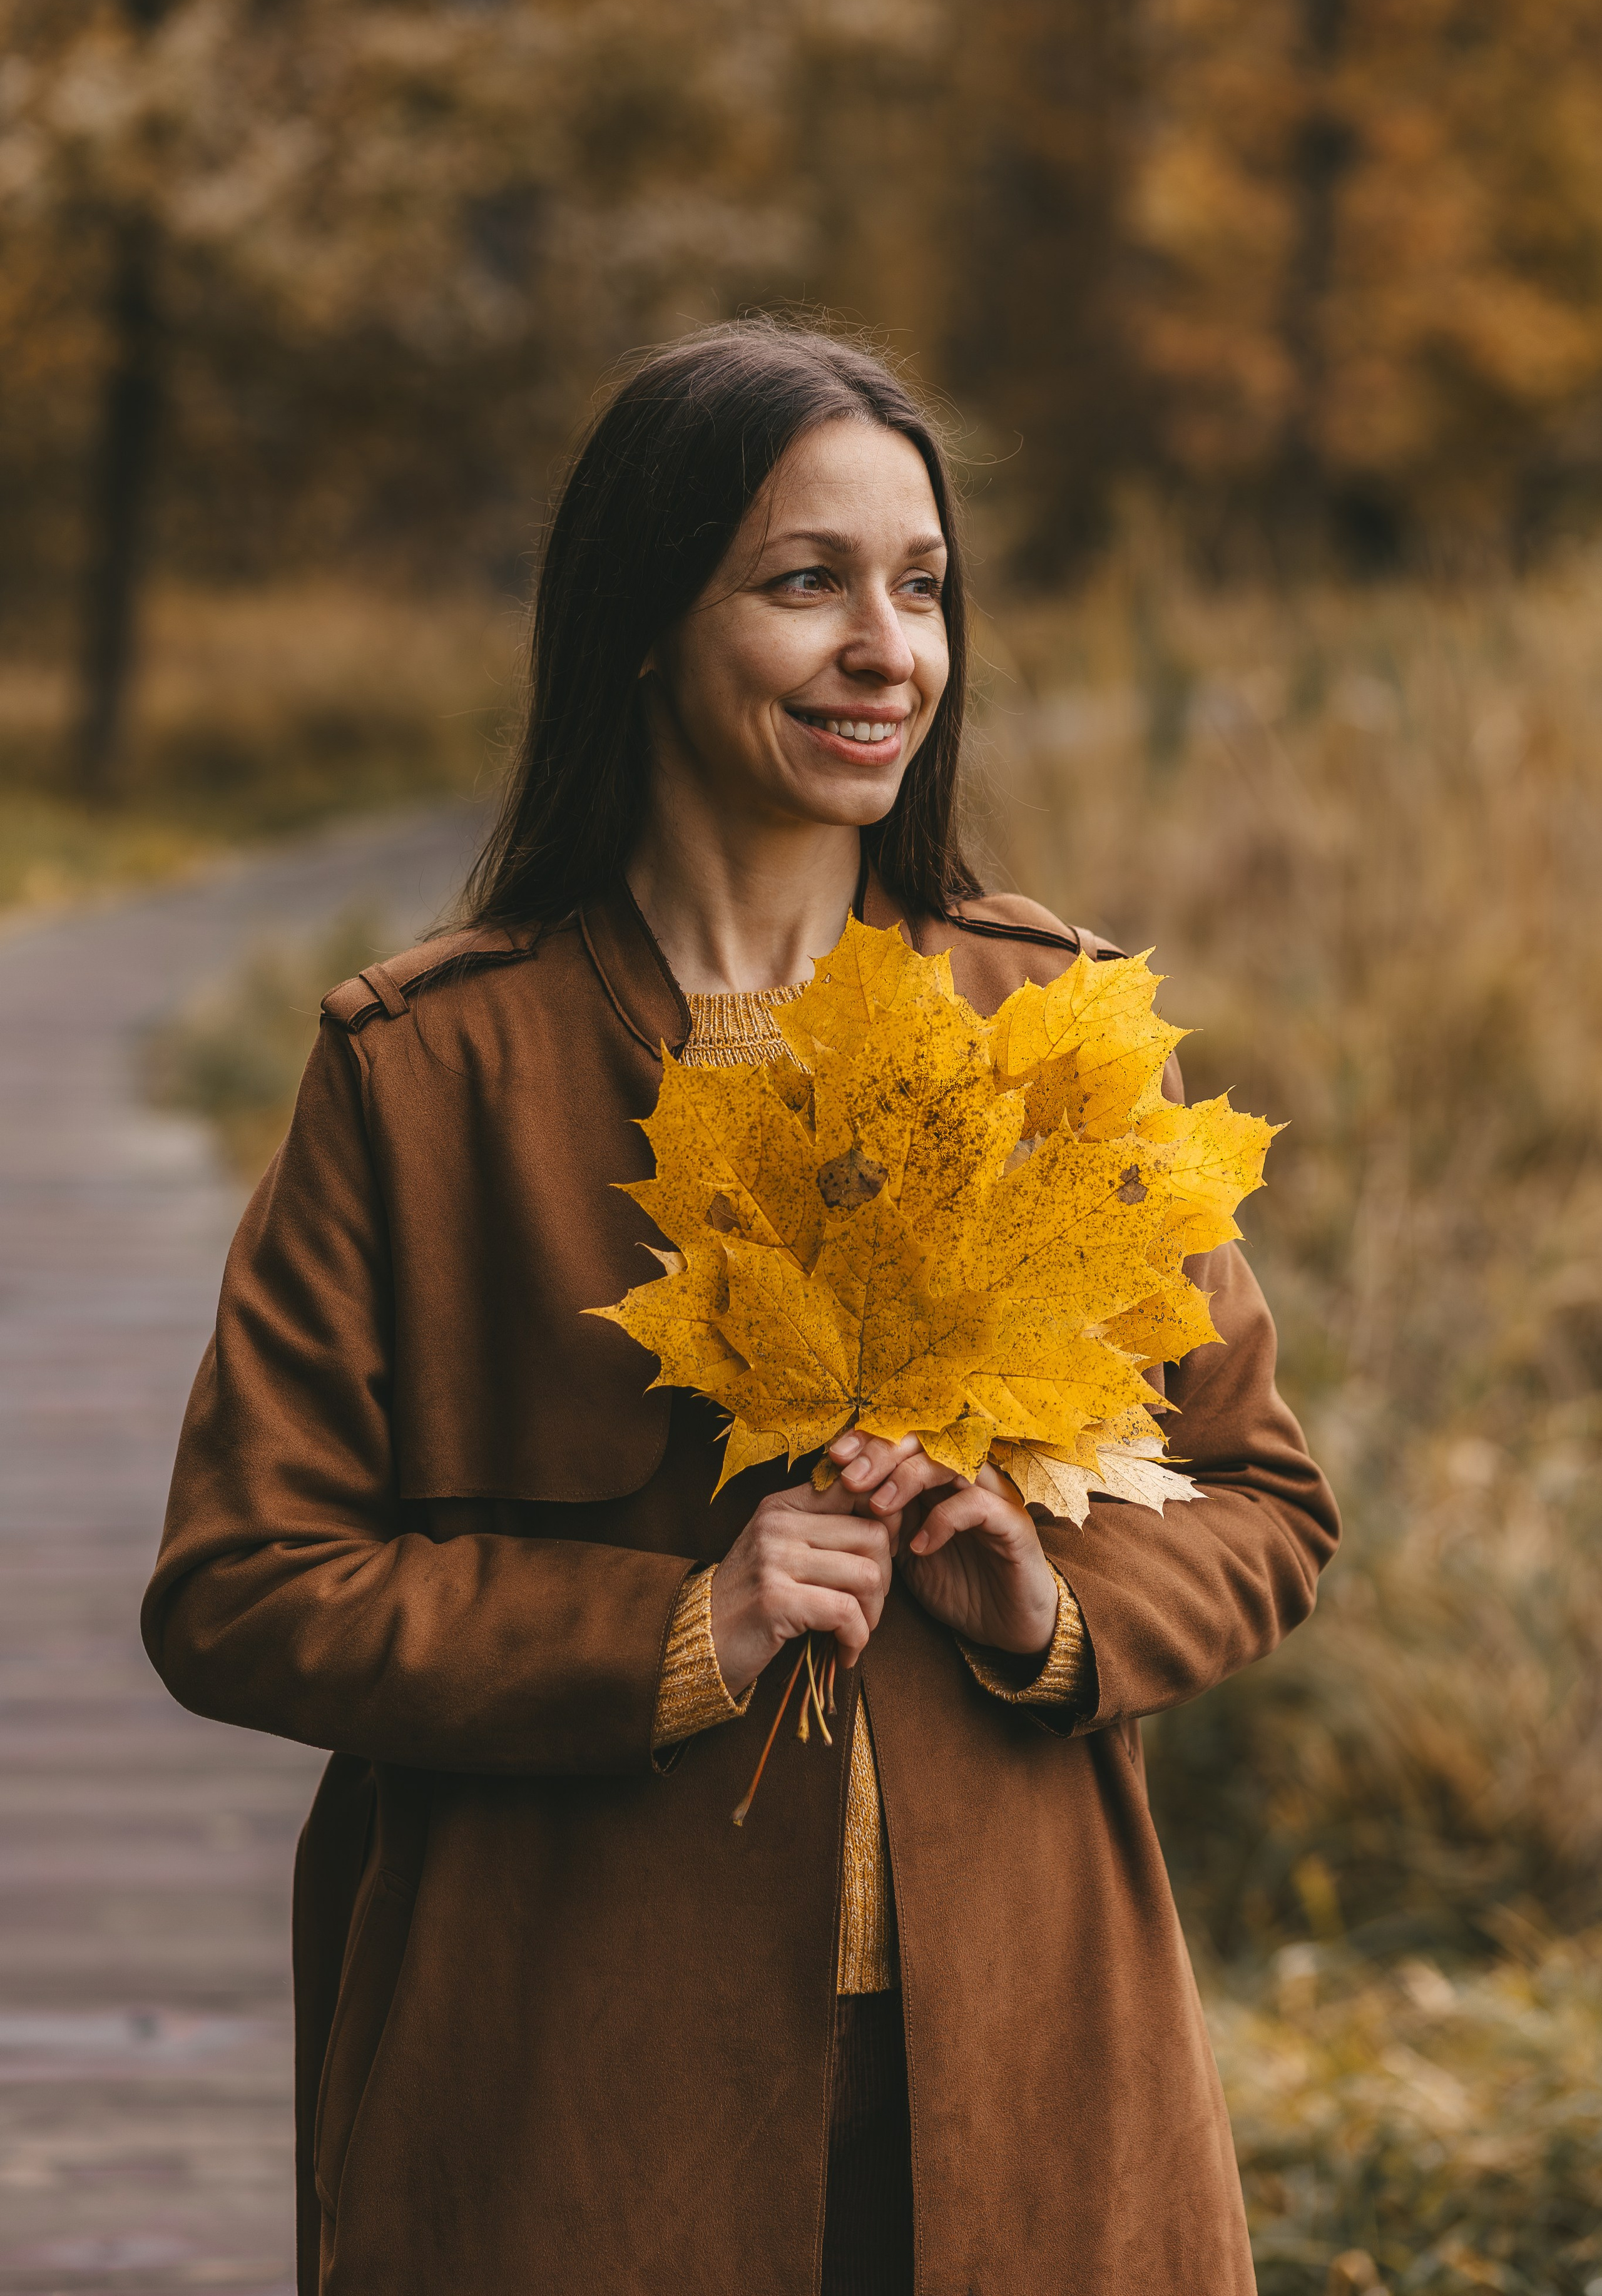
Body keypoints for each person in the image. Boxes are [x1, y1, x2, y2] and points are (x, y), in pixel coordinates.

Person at [143, 320, 1337, 2296]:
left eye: (923, 587)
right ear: (641, 621)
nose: (890, 650)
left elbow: (1263, 1507)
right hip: (573, 2102)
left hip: (1027, 2072)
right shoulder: (432, 1073)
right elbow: (242, 1587)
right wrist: (674, 1631)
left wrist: (1054, 1610)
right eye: (808, 584)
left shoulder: (1051, 1031)